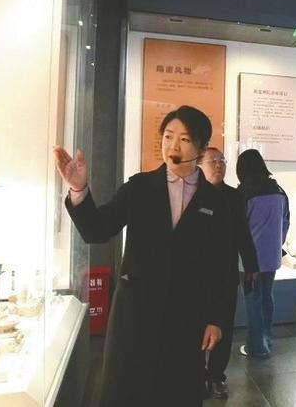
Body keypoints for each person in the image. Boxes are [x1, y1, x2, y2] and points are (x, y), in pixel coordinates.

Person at [54, 105, 227, 407]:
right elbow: (97, 230)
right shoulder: (140, 187)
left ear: (201, 148)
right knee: (127, 392)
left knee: (177, 392)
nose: (173, 146)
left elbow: (220, 265)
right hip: (136, 314)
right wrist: (79, 190)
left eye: (184, 139)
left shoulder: (215, 200)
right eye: (168, 136)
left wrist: (216, 318)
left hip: (187, 316)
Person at [198, 147, 259, 399]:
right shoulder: (192, 194)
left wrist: (251, 265)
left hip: (225, 275)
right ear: (199, 165)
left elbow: (244, 233)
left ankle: (215, 376)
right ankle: (195, 375)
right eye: (212, 161)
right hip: (195, 276)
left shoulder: (234, 196)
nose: (218, 165)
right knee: (194, 325)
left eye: (222, 160)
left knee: (223, 326)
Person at [236, 149, 290, 359]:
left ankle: (257, 347)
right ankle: (267, 339)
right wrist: (277, 244)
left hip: (250, 260)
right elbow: (286, 222)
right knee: (267, 296)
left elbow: (239, 229)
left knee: (253, 299)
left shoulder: (244, 194)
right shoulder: (278, 191)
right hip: (271, 256)